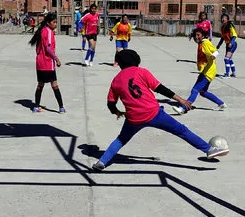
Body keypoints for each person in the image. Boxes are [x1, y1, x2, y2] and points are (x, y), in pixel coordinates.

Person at [91, 49, 229, 171]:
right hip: (154, 113)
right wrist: (180, 100)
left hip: (134, 118)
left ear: (120, 63)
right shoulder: (142, 71)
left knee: (121, 140)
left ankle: (101, 162)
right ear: (135, 61)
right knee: (182, 131)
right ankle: (209, 150)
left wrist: (117, 112)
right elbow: (160, 88)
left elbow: (110, 103)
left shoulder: (116, 80)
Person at [172, 27, 226, 114]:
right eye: (195, 35)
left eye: (198, 35)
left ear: (203, 35)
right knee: (203, 92)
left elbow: (216, 51)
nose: (196, 37)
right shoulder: (201, 43)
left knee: (195, 90)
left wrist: (214, 55)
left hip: (208, 72)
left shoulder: (205, 42)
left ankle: (183, 108)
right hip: (207, 71)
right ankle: (221, 103)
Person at [28, 12, 65, 113]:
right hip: (48, 63)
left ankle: (36, 107)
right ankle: (61, 108)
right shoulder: (48, 31)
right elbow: (48, 48)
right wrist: (56, 58)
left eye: (56, 22)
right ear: (48, 23)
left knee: (40, 85)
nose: (55, 24)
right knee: (55, 85)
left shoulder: (42, 31)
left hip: (40, 63)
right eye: (54, 22)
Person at [216, 13, 238, 77]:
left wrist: (231, 43)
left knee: (226, 58)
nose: (223, 19)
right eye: (222, 18)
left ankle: (227, 73)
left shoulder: (230, 26)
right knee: (229, 59)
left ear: (227, 19)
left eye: (225, 18)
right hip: (227, 44)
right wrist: (219, 45)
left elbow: (234, 36)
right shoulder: (222, 28)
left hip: (233, 44)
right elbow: (223, 37)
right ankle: (234, 73)